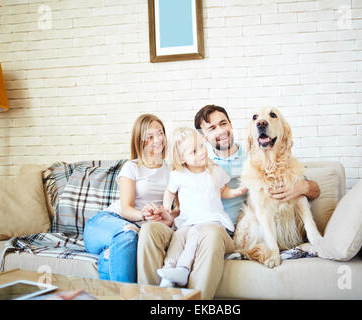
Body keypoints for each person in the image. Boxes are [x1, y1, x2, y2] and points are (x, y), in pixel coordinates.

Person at [137, 105, 320, 299]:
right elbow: (185, 199)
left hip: (223, 229)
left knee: (210, 232)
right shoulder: (194, 159)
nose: (221, 131)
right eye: (212, 128)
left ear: (231, 125)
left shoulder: (257, 154)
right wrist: (170, 215)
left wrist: (302, 187)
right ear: (203, 136)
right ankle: (151, 299)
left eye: (223, 124)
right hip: (189, 224)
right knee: (149, 230)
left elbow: (311, 187)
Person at [84, 114, 174, 283]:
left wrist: (165, 215)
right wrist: (143, 215)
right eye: (150, 137)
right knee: (128, 234)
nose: (158, 139)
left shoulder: (171, 169)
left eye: (160, 133)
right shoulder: (132, 167)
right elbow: (126, 209)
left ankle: (112, 282)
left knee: (115, 252)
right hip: (105, 223)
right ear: (140, 141)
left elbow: (176, 210)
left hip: (133, 232)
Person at [156, 127, 247, 288]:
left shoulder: (214, 171)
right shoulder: (179, 175)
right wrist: (166, 207)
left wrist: (236, 192)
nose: (201, 152)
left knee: (194, 235)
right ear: (182, 158)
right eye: (194, 151)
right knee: (178, 237)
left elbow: (223, 191)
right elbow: (169, 192)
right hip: (189, 221)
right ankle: (169, 271)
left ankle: (183, 269)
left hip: (212, 221)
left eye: (201, 146)